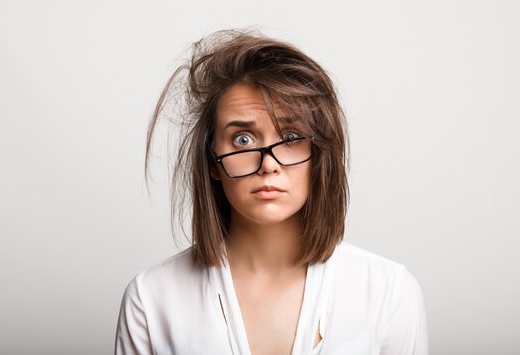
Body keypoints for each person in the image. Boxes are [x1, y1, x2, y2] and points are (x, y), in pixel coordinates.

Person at [115, 30, 429, 355]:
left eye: (291, 137)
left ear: (318, 153)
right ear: (212, 161)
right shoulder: (151, 299)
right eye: (243, 140)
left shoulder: (388, 291)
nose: (269, 165)